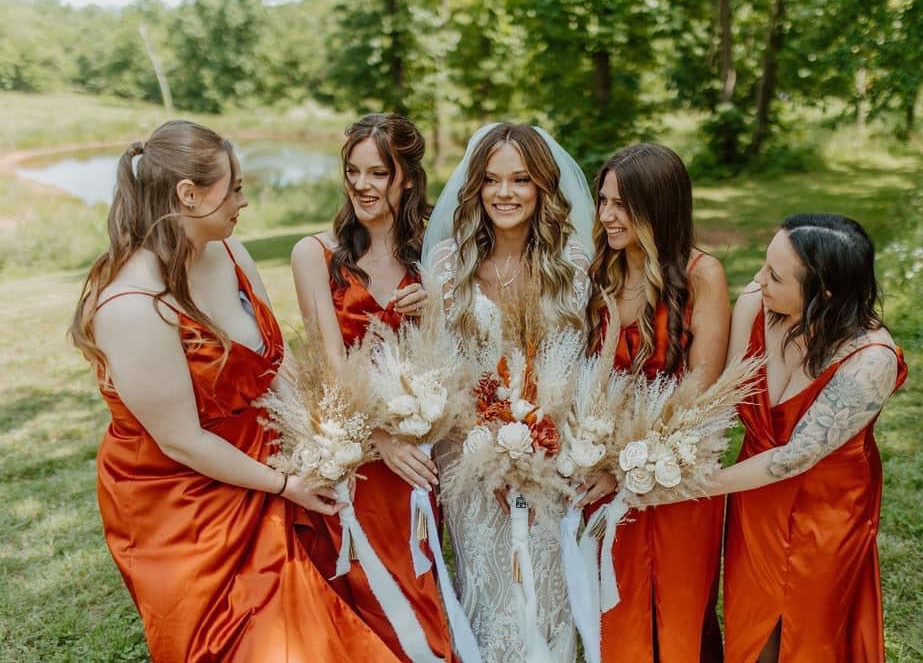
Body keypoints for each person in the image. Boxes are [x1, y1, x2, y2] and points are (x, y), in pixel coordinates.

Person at [69, 120, 397, 662]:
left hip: (269, 461)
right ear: (189, 194)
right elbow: (182, 441)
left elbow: (275, 361)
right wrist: (285, 484)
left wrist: (322, 430)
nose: (244, 200)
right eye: (235, 187)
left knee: (327, 620)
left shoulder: (229, 250)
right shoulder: (132, 306)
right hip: (187, 501)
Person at [424, 122, 594, 661]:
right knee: (488, 598)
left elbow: (574, 372)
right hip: (468, 460)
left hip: (551, 462)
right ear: (475, 186)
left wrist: (535, 455)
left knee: (546, 596)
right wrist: (489, 455)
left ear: (542, 186)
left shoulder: (573, 265)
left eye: (521, 179)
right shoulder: (447, 265)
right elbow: (443, 373)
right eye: (492, 180)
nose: (505, 193)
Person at [707, 213, 907, 662]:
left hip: (827, 507)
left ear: (824, 293)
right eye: (764, 264)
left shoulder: (872, 360)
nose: (758, 280)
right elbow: (725, 398)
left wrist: (696, 485)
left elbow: (796, 456)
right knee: (751, 623)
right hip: (755, 494)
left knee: (808, 632)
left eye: (775, 276)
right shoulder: (755, 303)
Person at [290, 113, 453, 662]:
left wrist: (436, 309)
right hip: (359, 450)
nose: (362, 184)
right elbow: (330, 365)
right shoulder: (314, 254)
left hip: (426, 446)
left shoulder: (435, 252)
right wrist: (381, 439)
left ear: (406, 178)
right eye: (353, 171)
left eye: (378, 173)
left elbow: (461, 353)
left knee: (424, 576)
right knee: (379, 590)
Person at [577, 143, 731, 662]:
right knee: (617, 616)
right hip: (602, 475)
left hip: (675, 474)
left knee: (677, 617)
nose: (607, 215)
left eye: (622, 205)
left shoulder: (701, 275)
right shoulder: (601, 272)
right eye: (603, 201)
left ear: (658, 207)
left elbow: (700, 392)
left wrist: (628, 466)